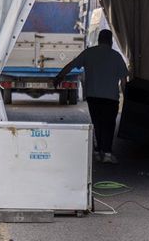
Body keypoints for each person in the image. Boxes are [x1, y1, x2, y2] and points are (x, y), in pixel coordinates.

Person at [55, 29, 128, 164]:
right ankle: (107, 153)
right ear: (111, 41)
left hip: (93, 96)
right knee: (109, 124)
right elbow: (123, 80)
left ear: (99, 40)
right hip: (111, 98)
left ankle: (99, 150)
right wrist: (126, 97)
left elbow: (71, 65)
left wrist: (59, 76)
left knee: (97, 123)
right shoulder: (116, 56)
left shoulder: (89, 53)